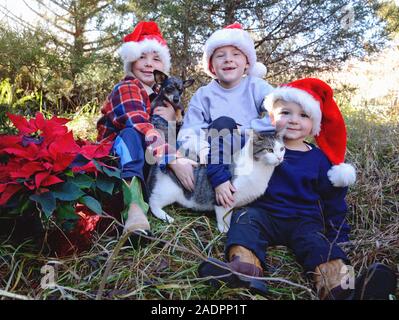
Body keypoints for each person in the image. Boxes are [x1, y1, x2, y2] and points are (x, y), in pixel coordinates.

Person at [198, 78, 397, 300]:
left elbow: (334, 201)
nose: (294, 120)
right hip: (263, 214)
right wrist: (219, 178)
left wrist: (338, 236)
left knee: (321, 247)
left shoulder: (319, 159)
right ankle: (244, 272)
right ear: (272, 117)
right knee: (244, 221)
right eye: (286, 112)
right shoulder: (257, 146)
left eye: (304, 115)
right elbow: (226, 154)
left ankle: (347, 289)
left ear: (315, 124)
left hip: (304, 220)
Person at [97, 21, 197, 240]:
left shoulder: (160, 98)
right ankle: (134, 208)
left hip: (147, 162)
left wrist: (172, 121)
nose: (149, 63)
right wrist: (173, 159)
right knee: (132, 134)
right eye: (142, 57)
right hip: (114, 165)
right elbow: (138, 123)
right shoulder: (127, 87)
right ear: (131, 61)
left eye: (156, 58)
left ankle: (189, 193)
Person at [177, 23, 275, 209]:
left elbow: (278, 111)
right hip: (215, 155)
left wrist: (245, 131)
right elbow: (190, 130)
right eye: (220, 55)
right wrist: (203, 148)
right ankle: (218, 184)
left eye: (236, 54)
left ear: (247, 63)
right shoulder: (204, 94)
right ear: (212, 66)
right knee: (222, 123)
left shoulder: (256, 86)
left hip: (249, 150)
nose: (228, 60)